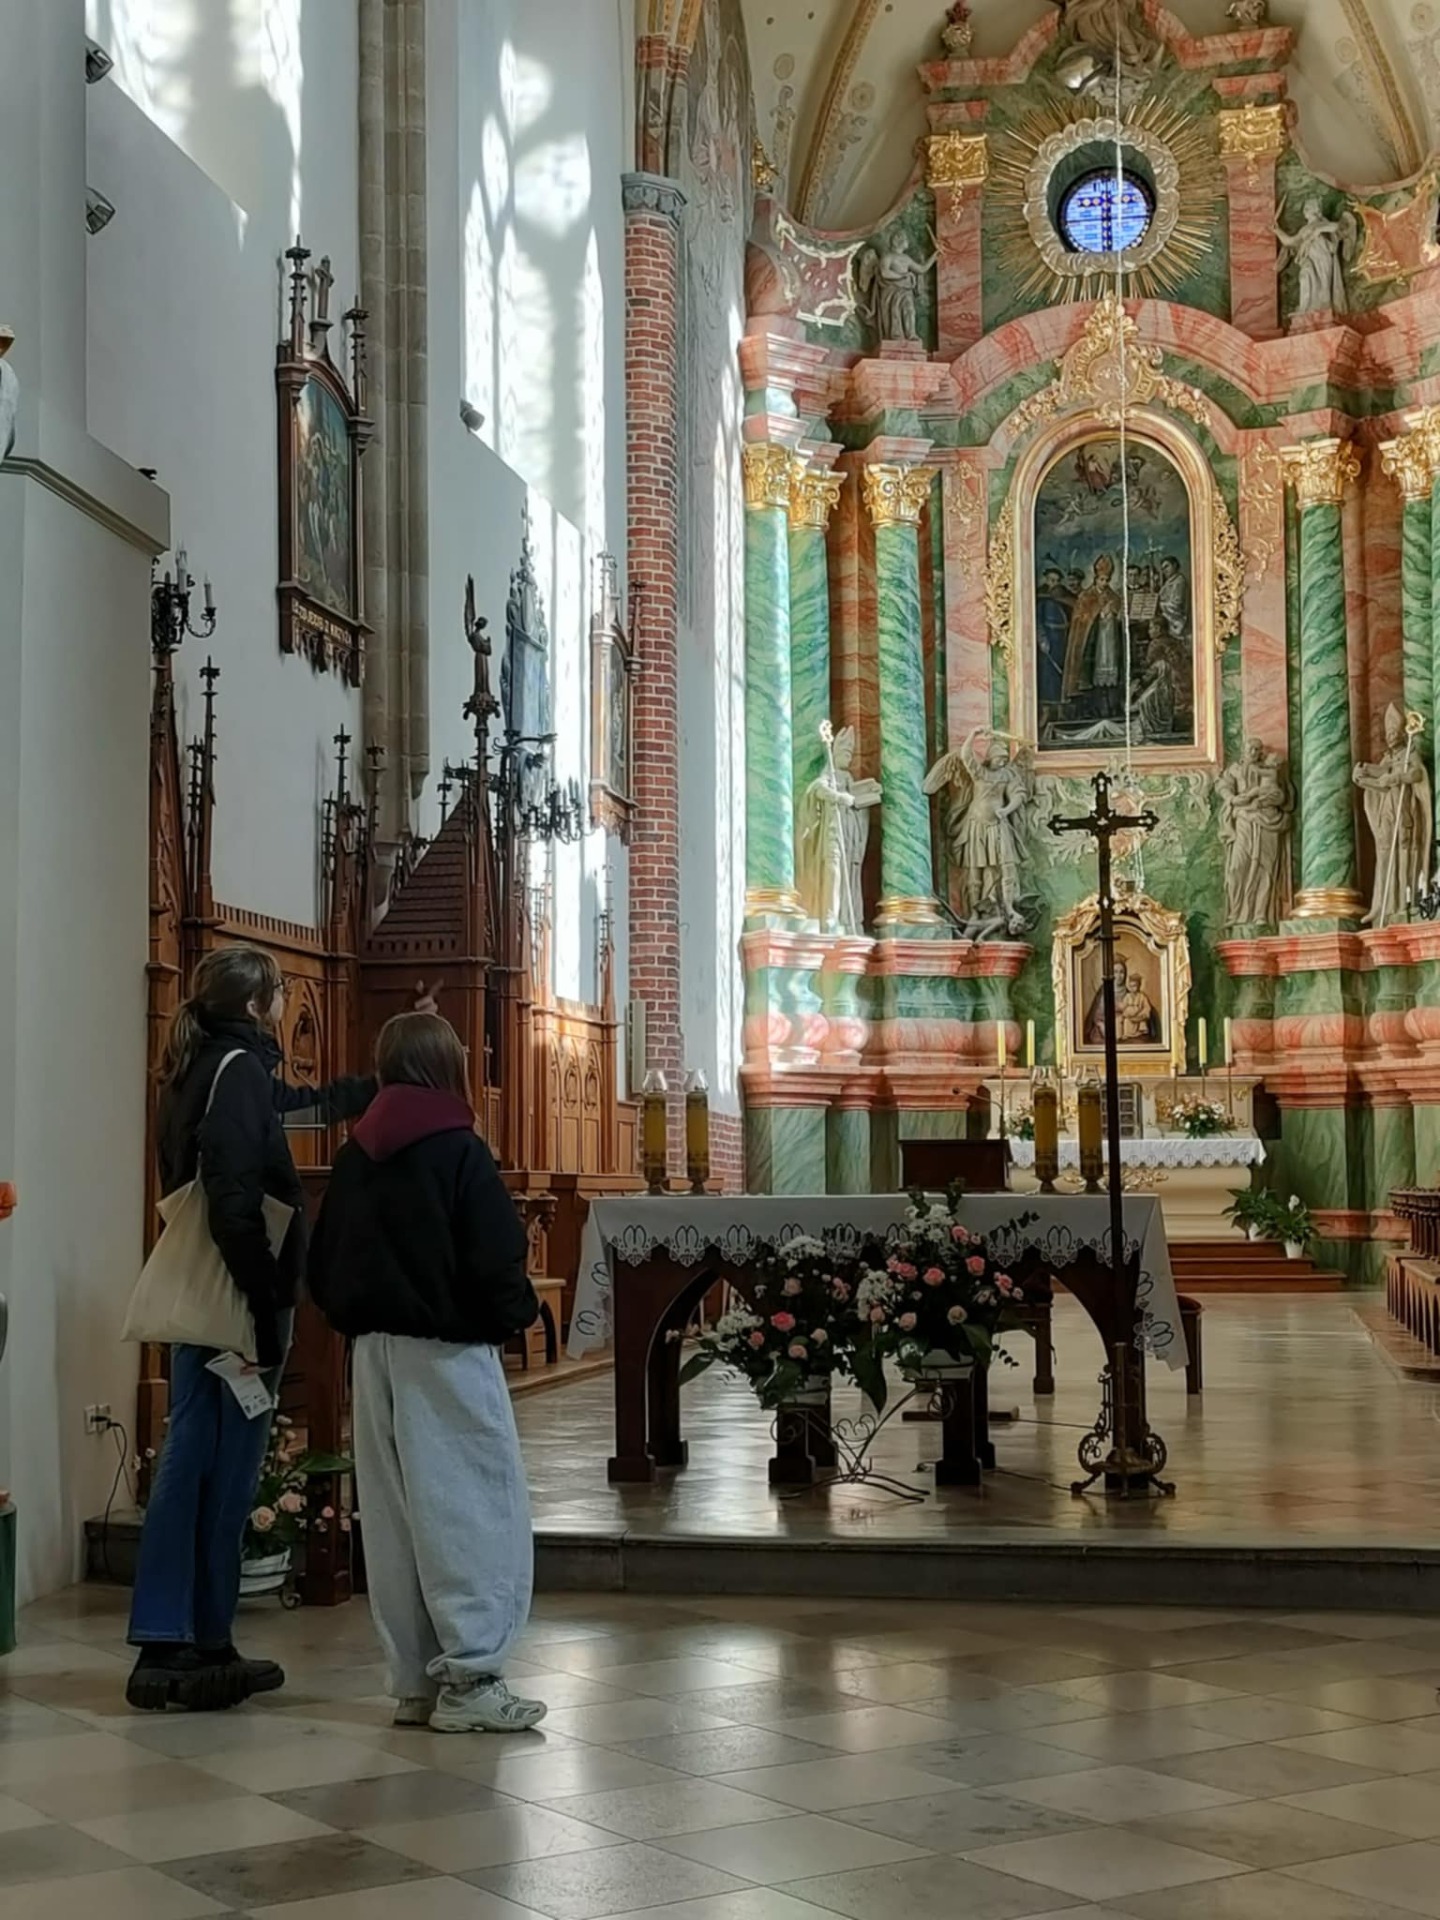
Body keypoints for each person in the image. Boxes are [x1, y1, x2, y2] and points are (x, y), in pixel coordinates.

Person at [127, 946, 377, 1712]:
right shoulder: (233, 1070)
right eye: (276, 993)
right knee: (220, 1467)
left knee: (198, 1457)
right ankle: (187, 1639)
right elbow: (234, 1197)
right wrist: (266, 1302)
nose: (281, 1004)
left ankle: (189, 1636)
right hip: (233, 1295)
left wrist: (370, 1088)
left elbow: (292, 1107)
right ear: (255, 1004)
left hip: (211, 1292)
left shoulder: (207, 1065)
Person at [308, 1013, 546, 1734]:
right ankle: (470, 1678)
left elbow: (323, 1260)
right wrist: (516, 1314)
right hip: (446, 1354)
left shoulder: (355, 1154)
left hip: (372, 1354)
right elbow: (495, 1255)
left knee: (395, 1518)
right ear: (449, 1068)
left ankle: (415, 1680)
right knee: (469, 1509)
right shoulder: (458, 1149)